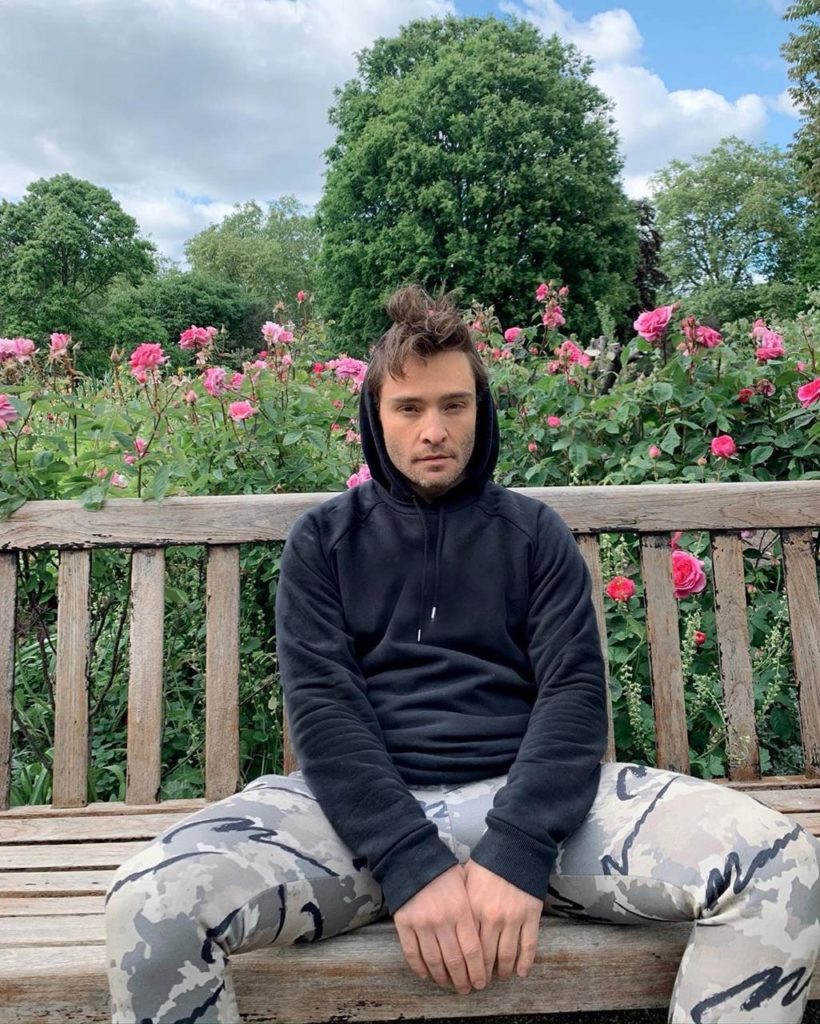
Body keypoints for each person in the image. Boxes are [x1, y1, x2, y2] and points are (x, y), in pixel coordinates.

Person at [105, 285, 820, 1024]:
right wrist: (410, 860)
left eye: (455, 405)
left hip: (537, 808)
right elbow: (324, 712)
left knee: (779, 863)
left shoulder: (535, 536)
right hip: (354, 821)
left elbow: (573, 696)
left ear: (482, 410)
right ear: (375, 418)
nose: (434, 430)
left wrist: (517, 846)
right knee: (150, 902)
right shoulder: (322, 543)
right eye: (409, 408)